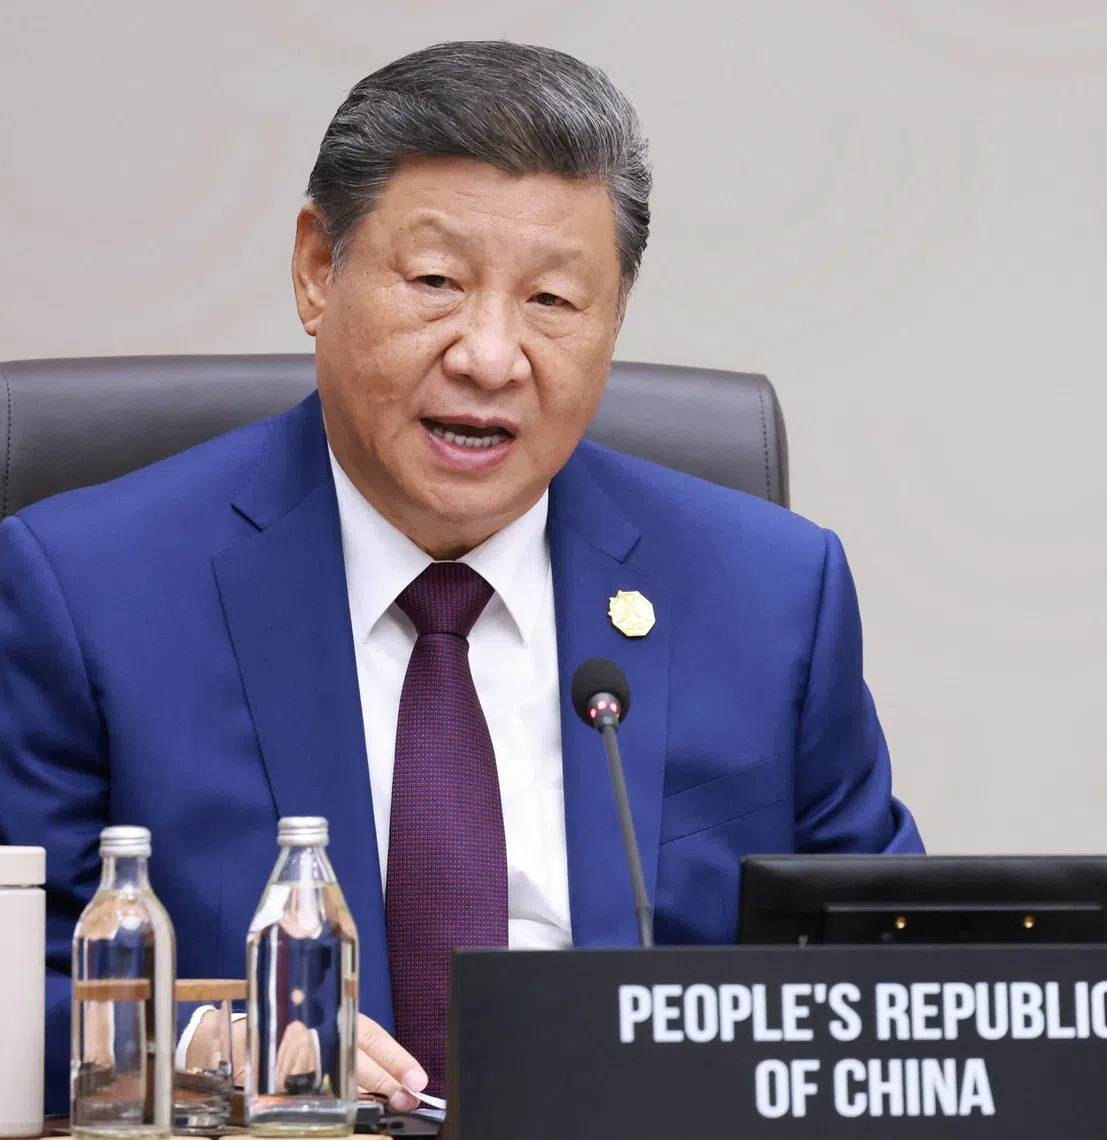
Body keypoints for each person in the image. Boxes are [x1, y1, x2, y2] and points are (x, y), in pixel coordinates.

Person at [0, 40, 922, 1112]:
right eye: (437, 282)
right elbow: (20, 982)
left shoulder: (770, 594)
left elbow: (884, 979)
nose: (491, 356)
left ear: (615, 316)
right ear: (315, 268)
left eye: (553, 302)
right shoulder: (88, 589)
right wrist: (204, 1044)